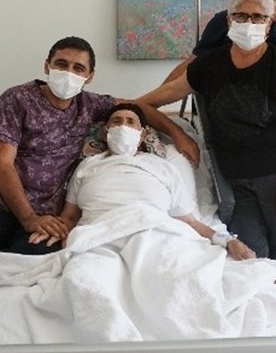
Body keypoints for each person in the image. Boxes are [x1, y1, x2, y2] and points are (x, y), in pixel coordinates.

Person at [0, 36, 199, 306]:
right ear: (47, 65)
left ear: (90, 76)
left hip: (47, 213)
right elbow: (1, 164)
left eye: (78, 68)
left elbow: (138, 107)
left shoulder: (89, 105)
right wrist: (28, 218)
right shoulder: (16, 99)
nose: (69, 73)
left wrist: (178, 134)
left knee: (23, 279)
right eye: (61, 64)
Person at [138, 0, 276, 281]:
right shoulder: (209, 65)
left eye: (258, 17)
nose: (249, 23)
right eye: (241, 16)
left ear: (269, 24)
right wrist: (176, 133)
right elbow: (152, 100)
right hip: (233, 179)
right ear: (229, 20)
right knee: (249, 254)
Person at [29, 103, 257, 261]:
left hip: (156, 234)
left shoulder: (164, 168)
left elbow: (189, 221)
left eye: (131, 122)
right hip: (98, 239)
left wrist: (227, 241)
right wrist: (53, 229)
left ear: (142, 134)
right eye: (116, 121)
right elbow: (69, 217)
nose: (123, 126)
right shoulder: (87, 166)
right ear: (105, 132)